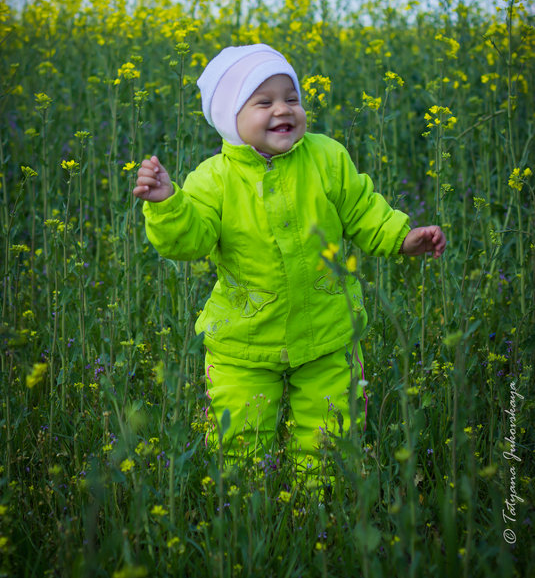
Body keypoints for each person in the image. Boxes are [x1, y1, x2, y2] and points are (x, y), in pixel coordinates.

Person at [134, 44, 446, 481]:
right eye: (264, 102)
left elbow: (362, 210)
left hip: (328, 328)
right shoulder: (213, 178)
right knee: (238, 437)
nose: (283, 109)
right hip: (244, 338)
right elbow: (190, 241)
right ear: (230, 120)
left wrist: (402, 237)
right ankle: (243, 510)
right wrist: (168, 203)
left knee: (330, 434)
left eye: (292, 98)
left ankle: (318, 510)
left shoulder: (326, 156)